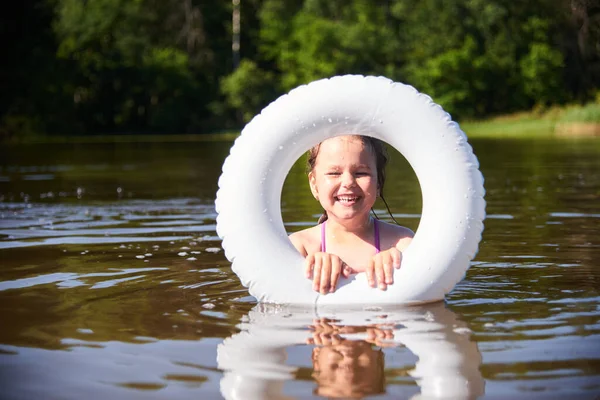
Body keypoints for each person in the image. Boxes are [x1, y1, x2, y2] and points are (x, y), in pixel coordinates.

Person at [289, 135, 414, 294]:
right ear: (314, 185)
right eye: (334, 173)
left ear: (378, 184)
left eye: (361, 173)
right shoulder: (302, 248)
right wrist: (311, 268)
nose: (348, 182)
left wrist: (397, 263)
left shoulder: (400, 243)